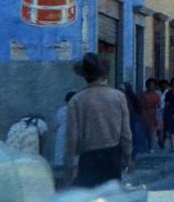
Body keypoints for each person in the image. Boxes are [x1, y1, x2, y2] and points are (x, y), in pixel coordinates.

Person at [64, 53, 132, 188]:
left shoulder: (76, 100)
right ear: (104, 75)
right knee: (112, 198)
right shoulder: (118, 96)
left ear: (85, 76)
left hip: (88, 157)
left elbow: (71, 137)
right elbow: (125, 133)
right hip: (112, 156)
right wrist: (128, 157)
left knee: (89, 200)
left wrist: (70, 165)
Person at [52, 91, 76, 187]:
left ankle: (65, 181)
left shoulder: (61, 110)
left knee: (62, 159)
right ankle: (72, 181)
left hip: (61, 134)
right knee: (74, 159)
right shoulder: (77, 110)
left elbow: (55, 126)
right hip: (74, 134)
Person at [121, 82, 147, 159]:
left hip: (132, 119)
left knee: (133, 136)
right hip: (123, 120)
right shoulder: (120, 97)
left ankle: (133, 152)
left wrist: (139, 117)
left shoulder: (132, 97)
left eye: (123, 89)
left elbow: (138, 108)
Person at [138, 78, 161, 153]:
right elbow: (140, 105)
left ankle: (151, 146)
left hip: (154, 113)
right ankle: (144, 145)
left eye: (152, 85)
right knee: (145, 130)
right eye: (149, 85)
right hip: (145, 113)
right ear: (146, 85)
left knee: (152, 131)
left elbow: (159, 106)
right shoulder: (143, 94)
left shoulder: (157, 95)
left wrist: (158, 117)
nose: (151, 86)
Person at [156, 79, 169, 148]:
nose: (163, 87)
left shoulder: (168, 93)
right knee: (159, 128)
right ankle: (159, 139)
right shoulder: (156, 93)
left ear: (167, 86)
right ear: (159, 86)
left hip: (166, 111)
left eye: (165, 86)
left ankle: (163, 141)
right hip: (158, 111)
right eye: (162, 86)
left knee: (165, 128)